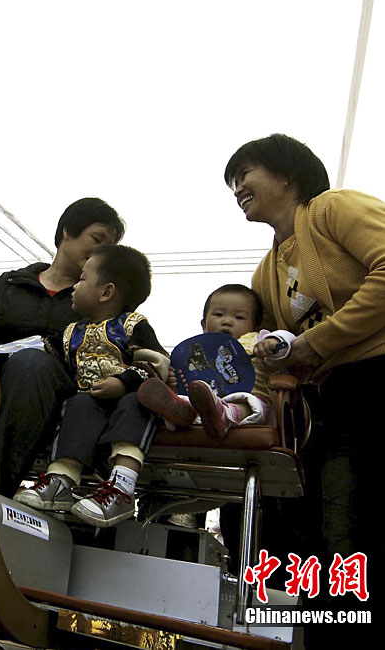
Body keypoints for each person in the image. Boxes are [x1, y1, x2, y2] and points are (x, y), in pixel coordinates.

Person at [224, 133, 382, 642]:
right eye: (232, 182)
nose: (237, 188)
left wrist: (315, 342)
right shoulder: (264, 271)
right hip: (326, 405)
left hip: (373, 378)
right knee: (315, 536)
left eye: (244, 174)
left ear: (287, 175)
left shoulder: (333, 209)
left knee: (349, 530)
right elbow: (274, 355)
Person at [0, 198, 126, 496]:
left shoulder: (100, 300)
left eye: (107, 248)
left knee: (31, 363)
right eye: (97, 239)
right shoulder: (11, 284)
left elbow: (124, 345)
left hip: (60, 393)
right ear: (67, 232)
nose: (101, 253)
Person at [12, 245, 166, 527]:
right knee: (78, 403)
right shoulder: (71, 332)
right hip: (89, 401)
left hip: (128, 401)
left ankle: (122, 487)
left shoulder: (133, 326)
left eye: (82, 279)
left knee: (136, 402)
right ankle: (60, 481)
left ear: (106, 292)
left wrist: (122, 383)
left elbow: (155, 364)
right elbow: (39, 352)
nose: (74, 286)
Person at [137, 284, 295, 438]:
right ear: (204, 325)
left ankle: (223, 414)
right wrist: (174, 384)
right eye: (219, 315)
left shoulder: (258, 340)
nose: (227, 321)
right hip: (207, 404)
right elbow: (187, 382)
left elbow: (289, 341)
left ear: (255, 325)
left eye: (239, 317)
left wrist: (274, 342)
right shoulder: (196, 350)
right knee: (187, 399)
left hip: (251, 403)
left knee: (253, 404)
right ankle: (180, 412)